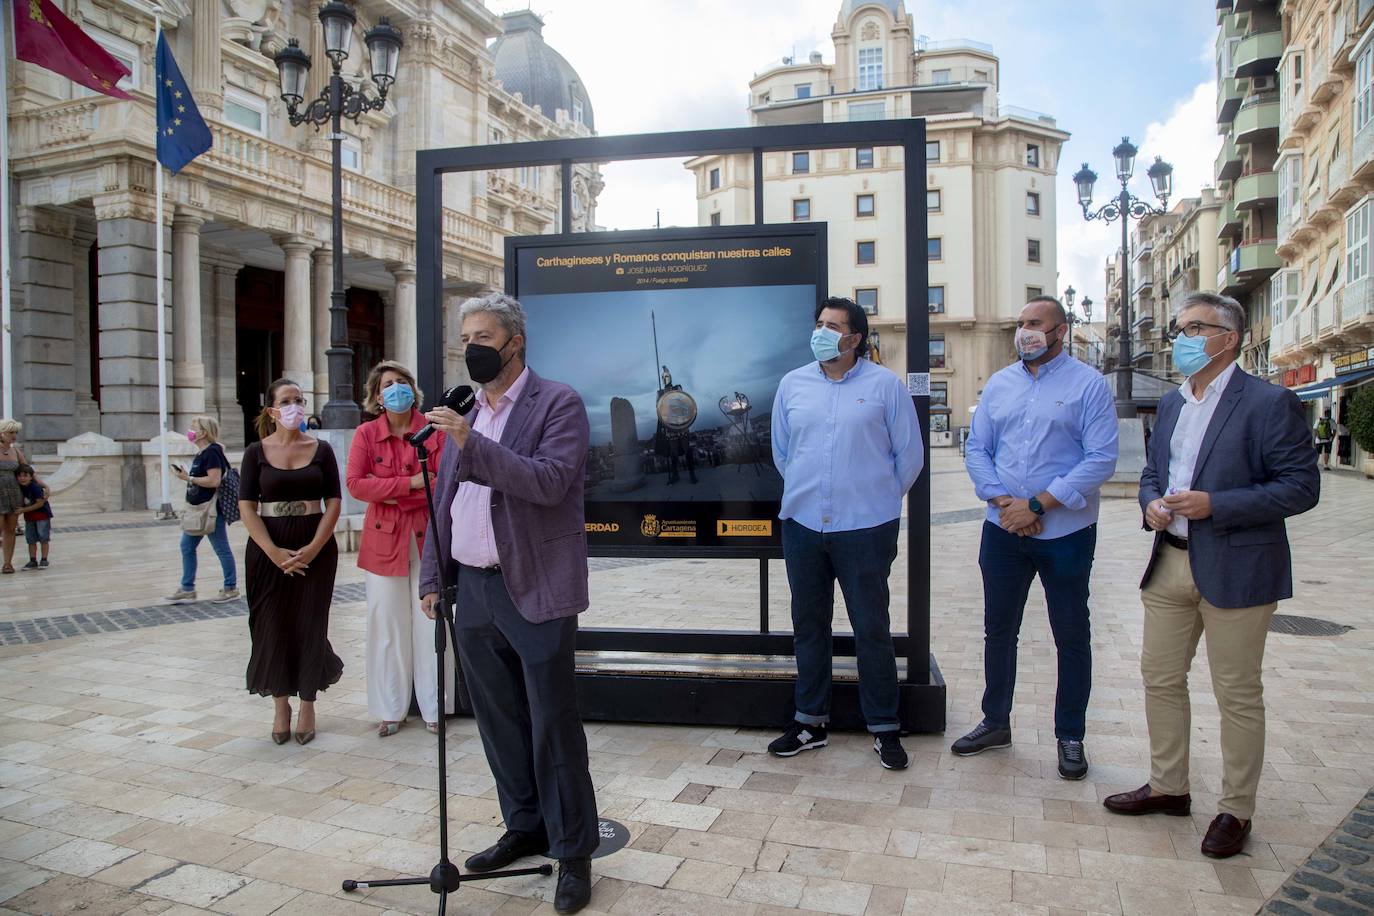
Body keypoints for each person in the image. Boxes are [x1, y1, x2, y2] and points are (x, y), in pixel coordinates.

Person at [1104, 292, 1319, 860]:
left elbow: (1301, 488)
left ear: (1231, 338)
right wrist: (1151, 504)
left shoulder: (1270, 402)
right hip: (1170, 560)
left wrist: (1215, 504)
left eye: (1197, 328)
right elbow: (1153, 473)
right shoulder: (1174, 404)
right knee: (1160, 678)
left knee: (1238, 694)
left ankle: (1236, 809)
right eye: (1181, 328)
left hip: (1239, 566)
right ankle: (1169, 787)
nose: (1183, 339)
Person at [419, 293, 598, 915]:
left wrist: (471, 442)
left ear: (514, 341)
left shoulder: (558, 403)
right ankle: (525, 826)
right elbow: (441, 500)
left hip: (537, 588)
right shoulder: (463, 409)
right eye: (466, 334)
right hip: (474, 589)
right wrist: (431, 576)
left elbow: (549, 482)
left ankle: (574, 852)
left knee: (553, 723)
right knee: (498, 721)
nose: (472, 346)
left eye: (484, 335)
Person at [952, 296, 1118, 779]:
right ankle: (995, 721)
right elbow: (978, 448)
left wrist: (1040, 504)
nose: (1025, 331)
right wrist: (1006, 503)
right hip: (1003, 530)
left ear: (1060, 331)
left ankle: (1070, 734)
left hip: (1065, 532)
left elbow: (1100, 459)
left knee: (1071, 634)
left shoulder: (1088, 385)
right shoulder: (1000, 385)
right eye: (1021, 323)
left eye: (1035, 323)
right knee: (999, 630)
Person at [767, 296, 924, 770]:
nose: (822, 332)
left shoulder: (885, 386)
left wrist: (876, 500)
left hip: (867, 528)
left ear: (855, 338)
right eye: (819, 324)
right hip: (803, 524)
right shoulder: (792, 384)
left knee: (871, 629)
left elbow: (909, 456)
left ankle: (884, 726)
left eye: (833, 326)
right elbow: (782, 452)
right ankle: (810, 722)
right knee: (808, 627)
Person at [347, 360, 455, 737]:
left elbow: (443, 481)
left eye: (402, 382)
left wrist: (391, 491)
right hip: (383, 542)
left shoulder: (433, 431)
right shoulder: (365, 434)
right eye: (388, 384)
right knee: (386, 624)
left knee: (430, 624)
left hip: (428, 538)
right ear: (377, 396)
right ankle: (391, 709)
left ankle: (435, 707)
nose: (396, 389)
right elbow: (356, 485)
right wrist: (410, 485)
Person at [239, 379, 344, 746]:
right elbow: (246, 506)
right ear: (271, 410)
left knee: (309, 623)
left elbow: (333, 500)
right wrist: (272, 551)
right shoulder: (255, 452)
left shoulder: (322, 450)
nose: (295, 406)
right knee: (270, 624)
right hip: (269, 552)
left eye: (299, 400)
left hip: (314, 548)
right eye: (286, 401)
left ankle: (308, 704)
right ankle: (280, 703)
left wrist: (315, 546)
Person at [166, 415, 238, 604]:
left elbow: (214, 480)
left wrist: (188, 479)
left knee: (221, 548)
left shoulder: (212, 452)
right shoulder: (202, 453)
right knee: (187, 546)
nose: (190, 430)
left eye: (194, 427)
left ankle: (231, 587)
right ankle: (187, 588)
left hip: (211, 510)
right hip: (198, 510)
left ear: (203, 432)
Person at [0, 419, 46, 575]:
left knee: (10, 529)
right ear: (2, 433)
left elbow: (29, 471)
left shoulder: (16, 452)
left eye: (15, 432)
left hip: (14, 494)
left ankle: (7, 563)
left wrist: (43, 485)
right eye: (11, 432)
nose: (14, 435)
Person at [15, 465, 51, 570]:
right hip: (30, 518)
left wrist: (22, 510)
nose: (22, 478)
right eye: (20, 476)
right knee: (30, 539)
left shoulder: (35, 488)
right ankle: (33, 560)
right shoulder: (20, 487)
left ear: (31, 477)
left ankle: (44, 559)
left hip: (41, 516)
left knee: (43, 537)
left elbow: (40, 504)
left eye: (25, 476)